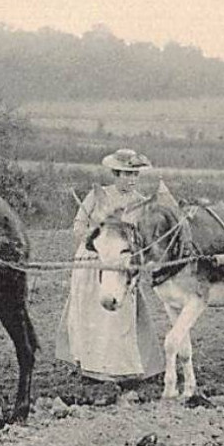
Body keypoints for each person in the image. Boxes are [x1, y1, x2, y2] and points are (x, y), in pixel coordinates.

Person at [55, 148, 173, 382]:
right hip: (92, 262)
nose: (131, 180)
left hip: (122, 267)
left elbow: (144, 239)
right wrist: (97, 240)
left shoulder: (140, 203)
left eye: (134, 175)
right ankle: (90, 367)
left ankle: (121, 368)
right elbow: (78, 226)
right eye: (126, 175)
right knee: (91, 313)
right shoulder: (98, 196)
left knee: (121, 316)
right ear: (115, 175)